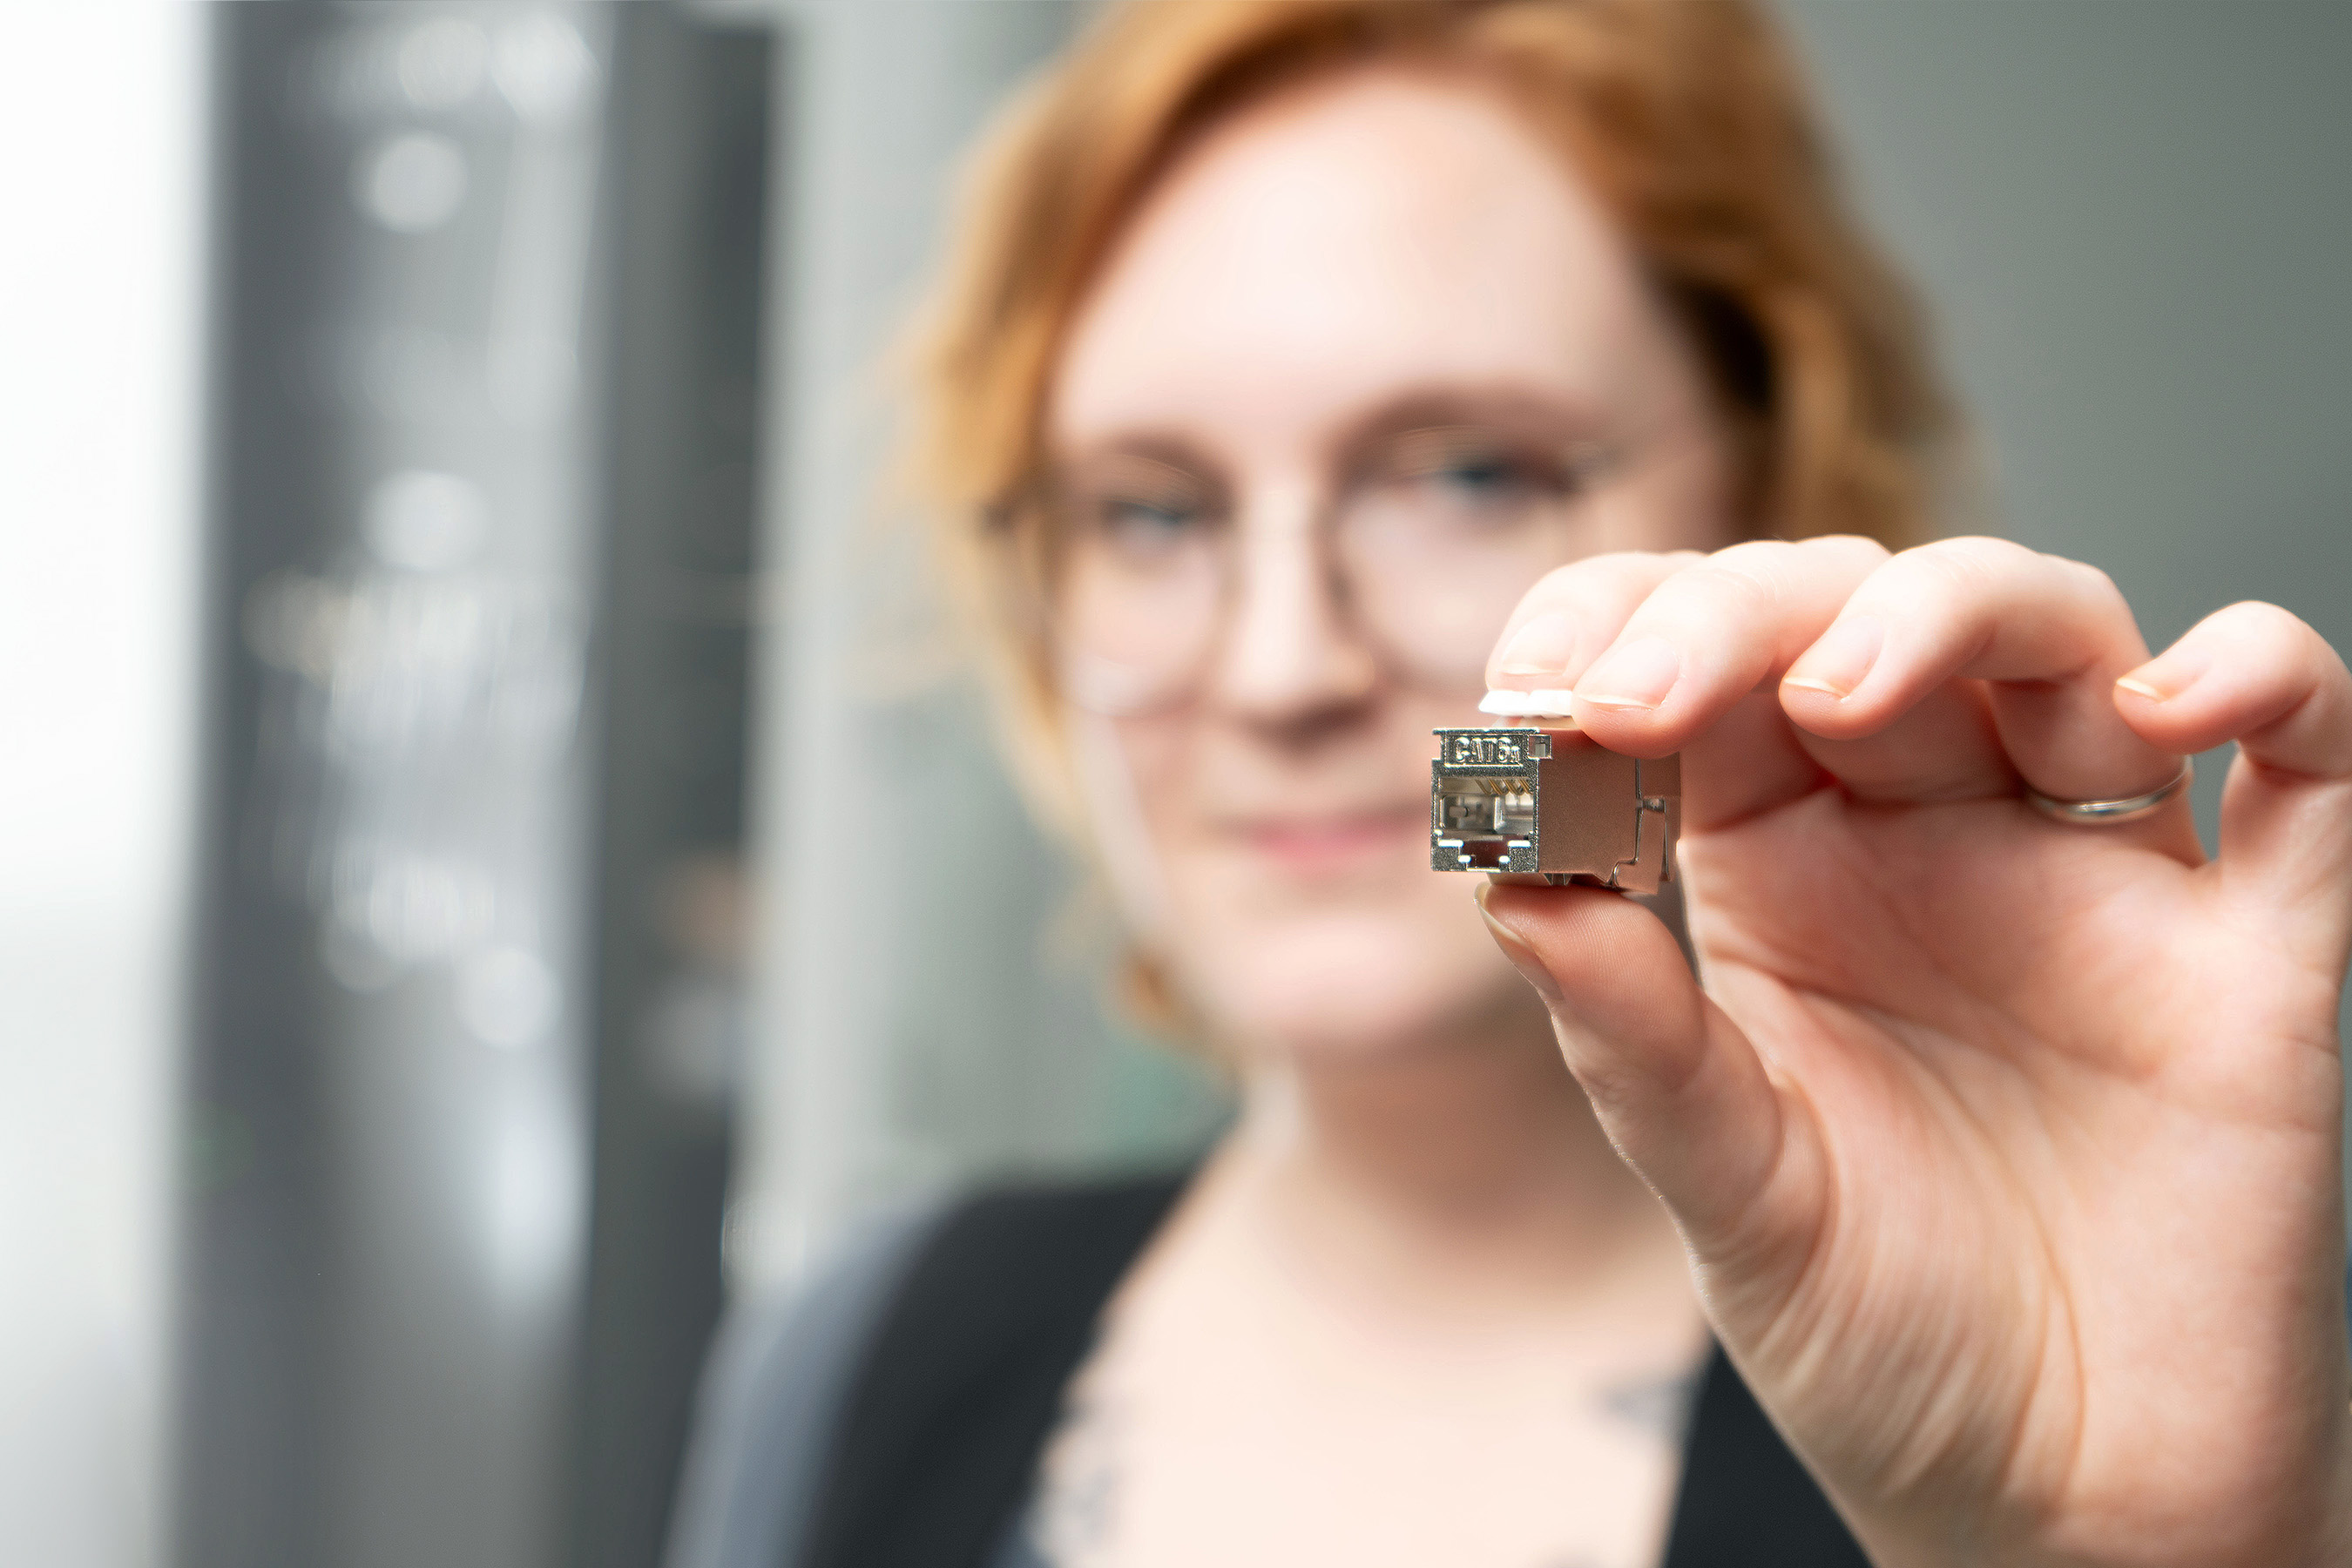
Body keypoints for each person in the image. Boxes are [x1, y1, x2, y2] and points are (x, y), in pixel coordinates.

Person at [668, 3, 2352, 1566]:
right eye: (1152, 511)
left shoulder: (2060, 1362)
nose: (1280, 671)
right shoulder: (872, 1345)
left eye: (1466, 474)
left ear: (1771, 488)